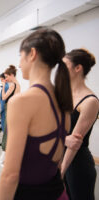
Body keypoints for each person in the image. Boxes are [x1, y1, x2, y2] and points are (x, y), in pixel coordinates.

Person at [0, 28, 73, 200]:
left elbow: (10, 175)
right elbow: (57, 164)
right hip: (58, 193)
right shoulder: (64, 101)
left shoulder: (21, 102)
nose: (18, 64)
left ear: (32, 53)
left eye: (20, 56)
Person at [61, 48, 98, 200]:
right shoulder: (65, 94)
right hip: (61, 158)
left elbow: (74, 143)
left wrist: (61, 171)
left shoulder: (90, 101)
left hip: (77, 165)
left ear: (78, 68)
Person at [0, 65, 21, 165]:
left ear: (12, 75)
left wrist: (3, 86)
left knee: (7, 131)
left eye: (6, 76)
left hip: (10, 108)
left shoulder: (12, 85)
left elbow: (3, 97)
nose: (6, 79)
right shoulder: (18, 85)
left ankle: (4, 154)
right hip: (14, 108)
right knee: (10, 131)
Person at [0, 73, 9, 145]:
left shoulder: (6, 87)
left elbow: (3, 100)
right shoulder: (4, 87)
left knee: (4, 126)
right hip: (3, 109)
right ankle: (4, 141)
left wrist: (0, 111)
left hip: (4, 110)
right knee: (3, 126)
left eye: (2, 79)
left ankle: (5, 142)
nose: (1, 81)